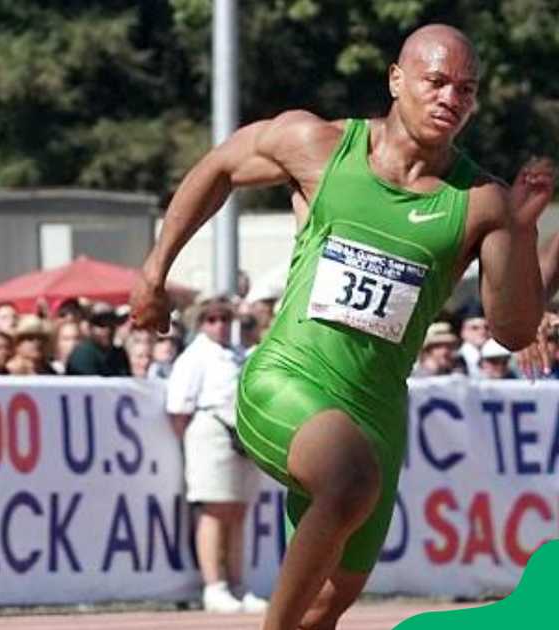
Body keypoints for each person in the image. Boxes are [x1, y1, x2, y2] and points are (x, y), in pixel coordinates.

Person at [130, 24, 554, 630]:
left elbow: (512, 331)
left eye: (466, 89)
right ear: (396, 80)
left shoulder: (482, 201)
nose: (450, 99)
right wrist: (154, 272)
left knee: (327, 605)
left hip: (377, 415)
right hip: (287, 378)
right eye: (436, 82)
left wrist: (523, 230)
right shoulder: (321, 146)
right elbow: (221, 164)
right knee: (349, 481)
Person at [165, 297, 265, 613]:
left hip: (239, 433)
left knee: (238, 511)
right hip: (211, 429)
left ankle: (238, 583)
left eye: (225, 319)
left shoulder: (236, 354)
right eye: (212, 319)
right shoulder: (194, 357)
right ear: (201, 323)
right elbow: (178, 407)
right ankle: (214, 585)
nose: (220, 325)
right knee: (213, 510)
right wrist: (194, 441)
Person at [65, 310, 130, 376]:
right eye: (101, 325)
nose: (107, 330)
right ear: (90, 328)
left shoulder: (118, 352)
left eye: (111, 325)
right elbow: (87, 380)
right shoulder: (83, 352)